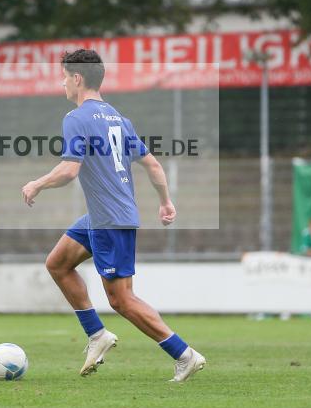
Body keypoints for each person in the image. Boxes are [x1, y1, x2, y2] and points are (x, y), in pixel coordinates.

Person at [22, 49, 206, 382]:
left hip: (110, 219)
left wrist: (37, 183)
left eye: (64, 76)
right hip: (100, 216)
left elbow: (69, 170)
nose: (61, 82)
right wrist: (165, 201)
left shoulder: (75, 117)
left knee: (121, 299)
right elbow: (152, 164)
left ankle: (184, 354)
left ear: (77, 79)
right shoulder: (119, 119)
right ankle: (97, 335)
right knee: (58, 263)